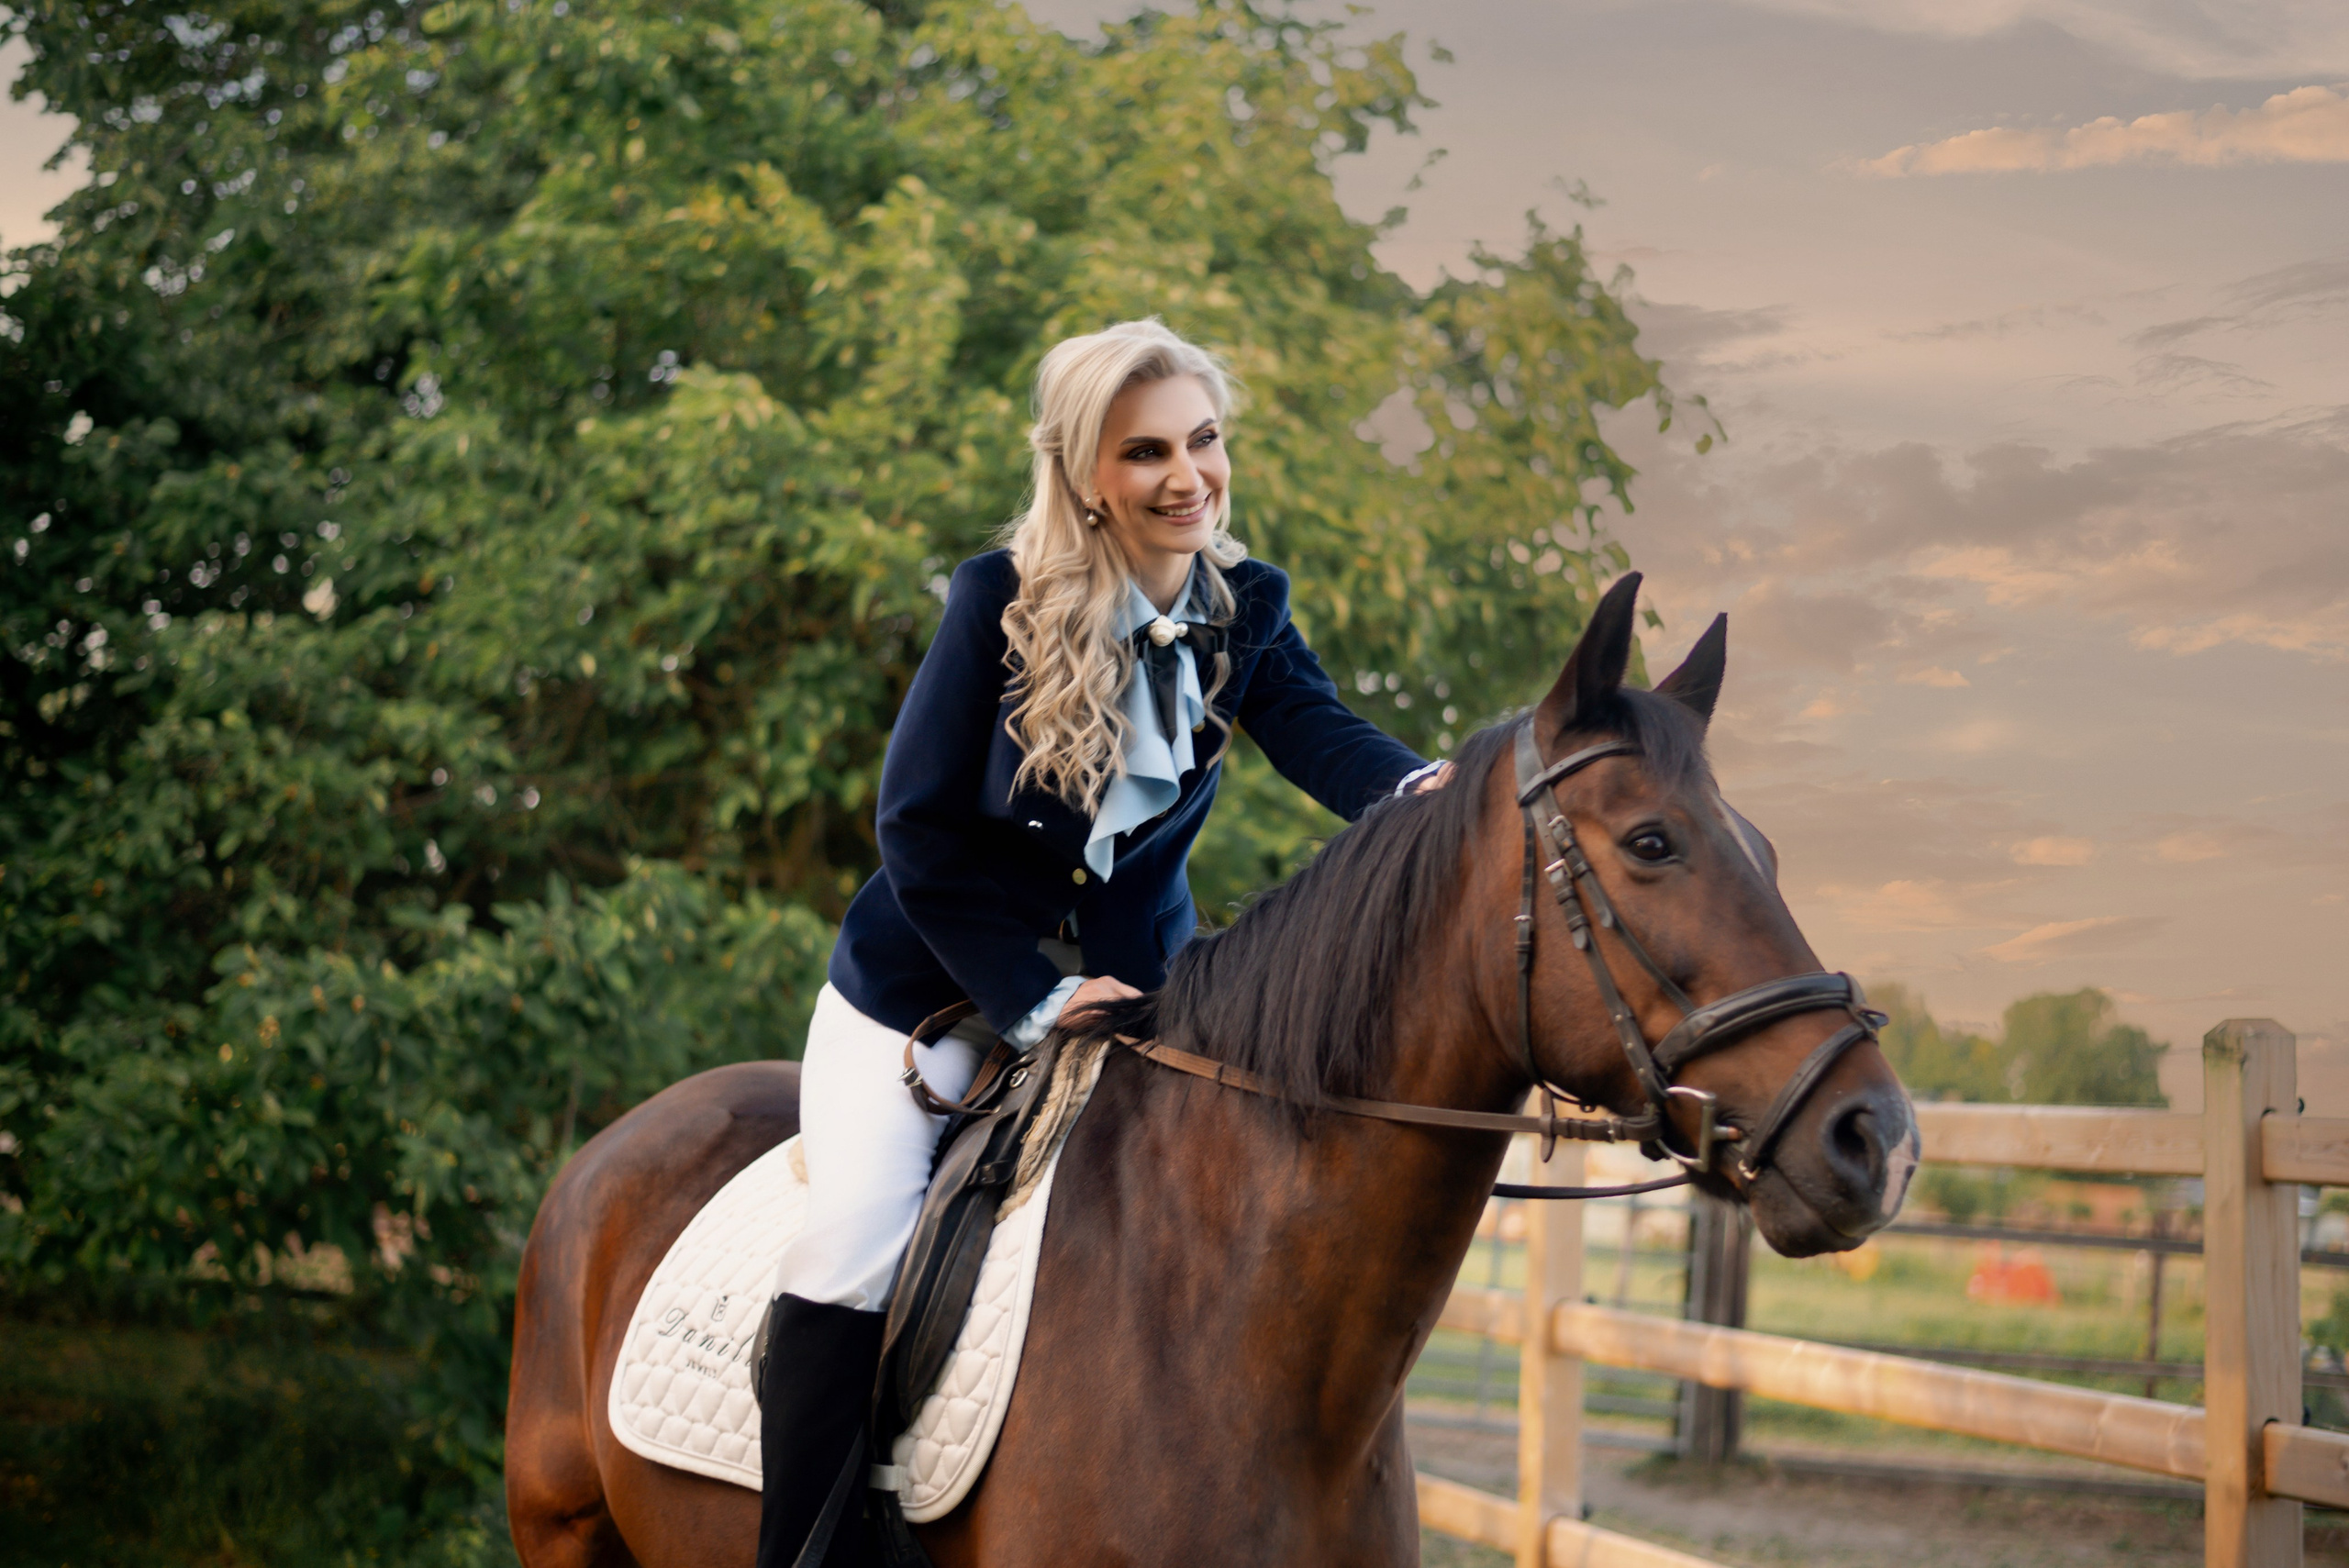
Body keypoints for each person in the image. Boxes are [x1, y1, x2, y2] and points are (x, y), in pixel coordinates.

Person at [755, 318, 1445, 1566]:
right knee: (854, 1243)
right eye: (1145, 452)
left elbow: (1319, 730)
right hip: (932, 996)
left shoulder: (1246, 605)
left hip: (1140, 997)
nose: (1188, 476)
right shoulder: (996, 600)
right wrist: (1030, 999)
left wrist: (1423, 791)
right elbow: (914, 831)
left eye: (1202, 439)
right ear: (1085, 475)